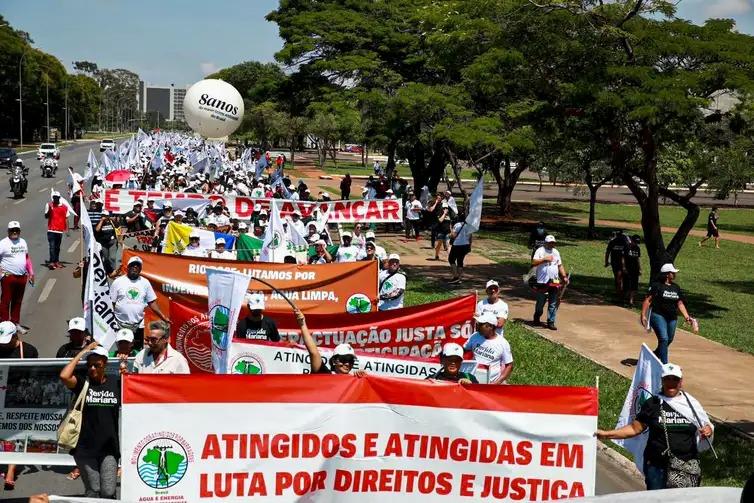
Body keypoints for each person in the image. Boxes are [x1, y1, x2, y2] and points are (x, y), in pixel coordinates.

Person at [596, 363, 714, 490]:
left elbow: (706, 426)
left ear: (681, 382)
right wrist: (606, 434)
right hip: (657, 468)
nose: (671, 383)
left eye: (675, 379)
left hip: (686, 467)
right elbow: (635, 429)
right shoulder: (652, 404)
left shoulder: (691, 404)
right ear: (662, 381)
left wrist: (708, 430)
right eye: (667, 379)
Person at [59, 342, 120, 498]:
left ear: (105, 364)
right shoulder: (82, 383)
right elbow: (64, 376)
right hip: (84, 449)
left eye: (97, 365)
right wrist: (83, 352)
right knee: (93, 489)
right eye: (90, 365)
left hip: (109, 448)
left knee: (109, 491)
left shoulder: (116, 383)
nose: (92, 368)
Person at [0, 321, 37, 490]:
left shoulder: (29, 351)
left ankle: (11, 470)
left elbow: (36, 375)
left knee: (14, 434)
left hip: (19, 398)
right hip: (1, 394)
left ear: (16, 336)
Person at [110, 256, 169, 349]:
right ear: (128, 267)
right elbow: (111, 303)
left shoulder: (145, 283)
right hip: (119, 325)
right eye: (132, 265)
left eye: (137, 266)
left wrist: (163, 317)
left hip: (138, 326)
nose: (135, 267)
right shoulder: (118, 282)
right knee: (121, 351)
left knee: (136, 352)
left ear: (140, 269)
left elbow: (152, 302)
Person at [641, 263, 695, 364]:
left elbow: (680, 303)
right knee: (664, 338)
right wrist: (643, 315)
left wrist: (687, 316)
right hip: (658, 315)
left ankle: (655, 354)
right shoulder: (657, 286)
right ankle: (664, 364)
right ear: (667, 274)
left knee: (669, 339)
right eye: (673, 272)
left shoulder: (676, 287)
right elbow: (648, 300)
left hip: (672, 317)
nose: (675, 274)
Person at [296, 309, 365, 376]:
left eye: (350, 361)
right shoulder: (325, 374)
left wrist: (363, 377)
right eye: (344, 359)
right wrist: (302, 324)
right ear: (334, 361)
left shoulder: (355, 380)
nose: (347, 364)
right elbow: (313, 353)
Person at [531, 235, 569, 330]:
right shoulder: (540, 250)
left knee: (553, 302)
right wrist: (544, 259)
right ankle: (537, 317)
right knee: (540, 302)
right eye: (550, 242)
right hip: (542, 281)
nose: (552, 244)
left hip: (554, 281)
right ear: (546, 242)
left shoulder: (556, 252)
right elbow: (533, 262)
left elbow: (560, 265)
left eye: (553, 242)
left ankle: (551, 322)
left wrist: (564, 276)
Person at [464, 312, 514, 384]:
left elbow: (509, 365)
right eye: (477, 323)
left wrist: (497, 383)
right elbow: (464, 350)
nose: (477, 326)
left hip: (492, 382)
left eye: (481, 324)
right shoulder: (475, 336)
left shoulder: (503, 343)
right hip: (472, 380)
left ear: (490, 326)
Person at [0, 221, 34, 325]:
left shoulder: (22, 242)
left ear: (19, 231)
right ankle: (4, 324)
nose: (15, 232)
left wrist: (31, 273)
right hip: (8, 276)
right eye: (12, 230)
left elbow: (27, 258)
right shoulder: (3, 243)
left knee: (18, 301)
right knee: (6, 301)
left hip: (22, 276)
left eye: (17, 230)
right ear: (8, 231)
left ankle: (15, 323)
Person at [45, 191, 69, 269]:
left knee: (57, 247)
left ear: (59, 198)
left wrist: (67, 230)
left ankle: (56, 261)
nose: (55, 199)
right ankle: (52, 262)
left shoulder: (65, 207)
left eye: (56, 197)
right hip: (51, 230)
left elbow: (66, 218)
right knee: (52, 246)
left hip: (59, 230)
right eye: (54, 197)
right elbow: (46, 216)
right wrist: (49, 210)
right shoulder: (49, 205)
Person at [448, 215, 472, 284]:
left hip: (457, 245)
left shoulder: (457, 225)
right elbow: (470, 237)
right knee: (460, 261)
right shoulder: (469, 226)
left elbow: (453, 235)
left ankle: (456, 276)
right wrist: (470, 246)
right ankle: (460, 278)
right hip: (465, 245)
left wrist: (451, 229)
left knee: (451, 259)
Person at [605, 230, 629, 297]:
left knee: (617, 277)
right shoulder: (625, 242)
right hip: (622, 262)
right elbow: (627, 253)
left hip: (615, 262)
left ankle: (619, 292)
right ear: (621, 234)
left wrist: (606, 261)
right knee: (621, 277)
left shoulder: (612, 242)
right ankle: (621, 292)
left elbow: (607, 252)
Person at [623, 234, 642, 307]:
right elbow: (623, 258)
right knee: (627, 285)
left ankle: (631, 301)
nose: (636, 243)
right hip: (627, 269)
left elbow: (637, 259)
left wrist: (640, 268)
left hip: (635, 269)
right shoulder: (626, 247)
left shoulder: (637, 248)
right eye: (635, 242)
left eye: (637, 242)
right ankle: (625, 298)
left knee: (634, 286)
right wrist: (624, 267)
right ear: (631, 240)